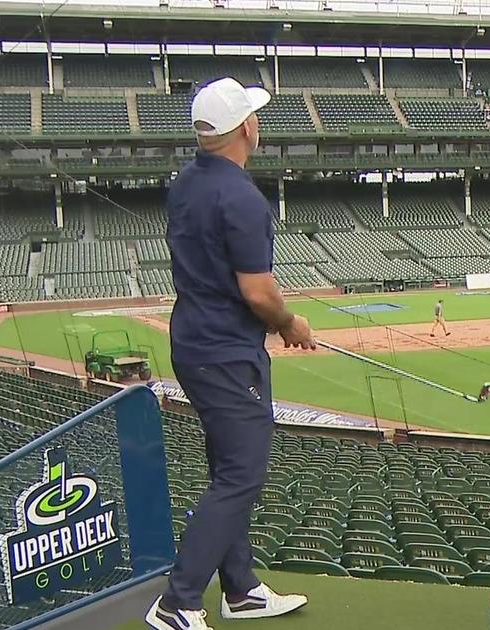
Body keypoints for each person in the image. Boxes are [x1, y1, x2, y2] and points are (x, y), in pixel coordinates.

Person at [145, 77, 316, 630]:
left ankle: (240, 589)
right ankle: (178, 600)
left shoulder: (186, 181)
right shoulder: (240, 195)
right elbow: (258, 291)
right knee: (242, 474)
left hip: (194, 339)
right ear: (246, 126)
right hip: (225, 351)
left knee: (228, 469)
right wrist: (290, 322)